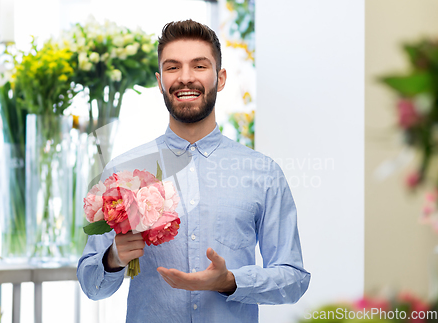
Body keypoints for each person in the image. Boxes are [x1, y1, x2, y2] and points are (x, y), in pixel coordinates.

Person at [77, 19, 310, 323]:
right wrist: (113, 259)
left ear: (220, 77)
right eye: (173, 68)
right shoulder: (123, 170)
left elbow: (293, 280)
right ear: (160, 80)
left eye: (199, 66)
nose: (185, 78)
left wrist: (231, 282)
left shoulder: (263, 173)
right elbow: (90, 284)